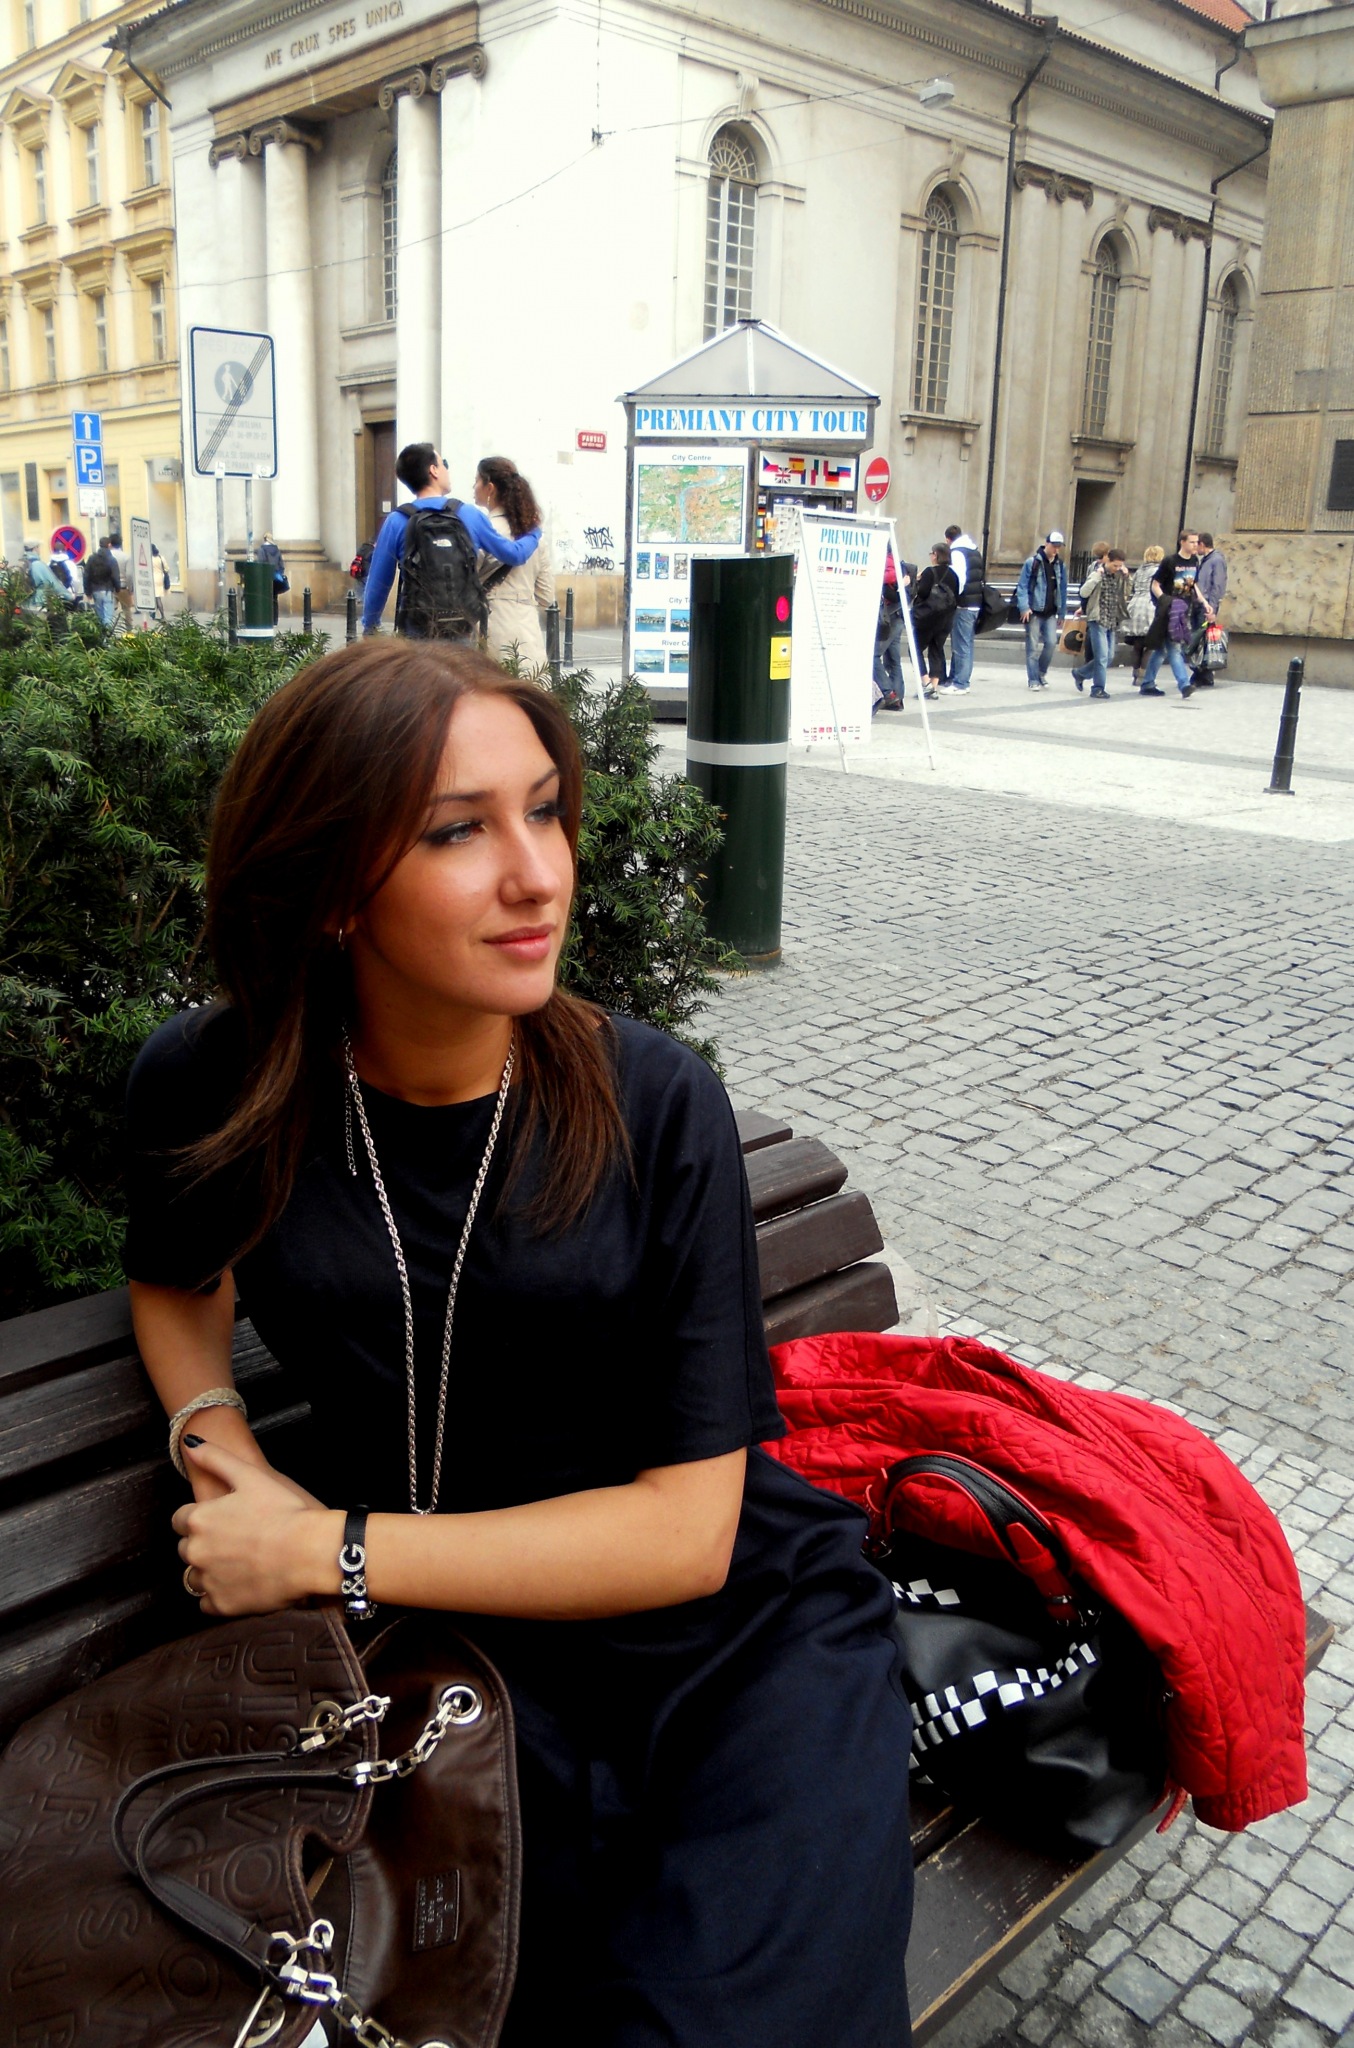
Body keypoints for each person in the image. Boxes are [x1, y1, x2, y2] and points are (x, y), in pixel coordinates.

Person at [122, 640, 915, 2048]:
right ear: (330, 887)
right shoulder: (220, 1083)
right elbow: (176, 1282)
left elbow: (689, 1535)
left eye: (544, 810)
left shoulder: (654, 1104)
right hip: (463, 1654)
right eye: (458, 831)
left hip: (733, 1651)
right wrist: (213, 1435)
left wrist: (322, 1548)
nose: (539, 873)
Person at [362, 443, 541, 639]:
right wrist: (534, 533)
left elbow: (379, 582)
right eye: (444, 464)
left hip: (417, 631)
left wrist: (370, 626)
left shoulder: (397, 521)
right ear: (433, 470)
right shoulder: (468, 514)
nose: (447, 469)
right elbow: (515, 555)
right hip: (460, 628)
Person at [475, 455, 555, 668]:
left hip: (492, 624)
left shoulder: (484, 531)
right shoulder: (535, 536)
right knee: (530, 685)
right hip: (529, 631)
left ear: (490, 488)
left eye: (477, 481)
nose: (474, 487)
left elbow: (468, 578)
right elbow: (546, 597)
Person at [1140, 537, 1205, 698]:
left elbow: (1193, 584)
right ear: (1182, 542)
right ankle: (1184, 684)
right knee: (1175, 648)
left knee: (1162, 650)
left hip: (1184, 610)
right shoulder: (1170, 561)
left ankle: (1147, 683)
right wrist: (1164, 601)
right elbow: (1155, 584)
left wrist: (1204, 602)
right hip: (1170, 611)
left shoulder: (1194, 561)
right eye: (1192, 542)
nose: (1195, 545)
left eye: (1197, 542)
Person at [1070, 547, 1131, 698]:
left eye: (1120, 566)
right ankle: (1098, 688)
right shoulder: (1097, 573)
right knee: (1102, 656)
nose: (1117, 568)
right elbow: (1083, 592)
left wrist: (1127, 578)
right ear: (1108, 561)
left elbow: (1127, 593)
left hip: (1112, 619)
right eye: (1115, 565)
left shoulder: (1119, 576)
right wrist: (1097, 577)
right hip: (1098, 619)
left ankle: (1080, 673)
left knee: (1109, 656)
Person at [1015, 531, 1067, 689]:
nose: (1056, 549)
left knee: (1051, 643)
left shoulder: (1060, 565)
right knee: (1032, 647)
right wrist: (1024, 607)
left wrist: (1062, 612)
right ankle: (1033, 679)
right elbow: (1022, 586)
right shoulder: (1033, 562)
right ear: (1047, 544)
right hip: (1034, 611)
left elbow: (1062, 590)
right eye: (1054, 546)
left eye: (1059, 546)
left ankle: (1040, 672)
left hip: (1050, 612)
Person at [912, 541, 959, 697]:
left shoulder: (929, 572)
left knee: (914, 648)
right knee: (936, 650)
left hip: (927, 618)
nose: (930, 556)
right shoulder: (954, 575)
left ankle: (925, 682)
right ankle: (934, 686)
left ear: (936, 555)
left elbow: (923, 593)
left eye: (931, 553)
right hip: (945, 619)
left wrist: (918, 581)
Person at [943, 524, 983, 694]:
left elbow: (958, 578)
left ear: (948, 539)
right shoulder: (974, 551)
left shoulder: (957, 552)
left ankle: (961, 683)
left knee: (961, 645)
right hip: (975, 602)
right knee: (967, 643)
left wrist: (953, 598)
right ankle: (957, 678)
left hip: (964, 603)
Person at [1191, 532, 1228, 688]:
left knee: (1202, 639)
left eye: (1196, 544)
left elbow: (1217, 586)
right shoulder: (1205, 560)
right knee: (1200, 639)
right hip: (1199, 605)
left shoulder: (1216, 560)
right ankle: (1203, 674)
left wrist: (1212, 608)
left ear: (1202, 544)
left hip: (1206, 607)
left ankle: (1202, 673)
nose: (1195, 548)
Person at [1125, 545, 1164, 688]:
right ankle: (1143, 675)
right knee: (1151, 644)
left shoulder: (1140, 570)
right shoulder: (1159, 570)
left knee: (1137, 644)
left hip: (1135, 605)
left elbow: (1132, 587)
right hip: (1150, 606)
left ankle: (1135, 674)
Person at [873, 545, 905, 708]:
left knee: (873, 656)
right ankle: (897, 699)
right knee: (894, 659)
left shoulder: (885, 561)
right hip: (898, 614)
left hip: (889, 616)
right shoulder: (896, 561)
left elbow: (890, 576)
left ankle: (888, 693)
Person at [84, 536, 122, 628]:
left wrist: (87, 591)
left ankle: (101, 634)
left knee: (100, 617)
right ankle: (107, 635)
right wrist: (118, 588)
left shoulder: (92, 558)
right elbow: (115, 576)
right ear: (109, 545)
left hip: (95, 590)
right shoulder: (111, 559)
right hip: (107, 590)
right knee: (108, 617)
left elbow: (86, 575)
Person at [256, 533, 288, 625]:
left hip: (265, 577)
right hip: (276, 577)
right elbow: (281, 564)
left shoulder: (261, 549)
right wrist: (279, 573)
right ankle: (275, 620)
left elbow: (261, 563)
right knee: (274, 598)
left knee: (265, 598)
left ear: (264, 539)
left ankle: (267, 619)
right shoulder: (277, 550)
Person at [108, 531, 132, 622]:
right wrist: (130, 588)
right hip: (123, 586)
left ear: (110, 543)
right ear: (121, 543)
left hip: (110, 586)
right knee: (127, 611)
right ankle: (129, 629)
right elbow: (129, 574)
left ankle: (109, 628)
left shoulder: (107, 556)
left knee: (109, 611)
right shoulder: (126, 557)